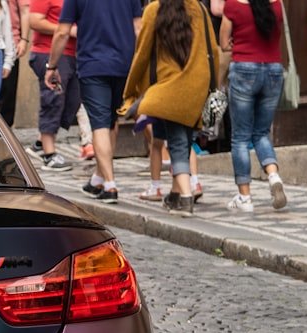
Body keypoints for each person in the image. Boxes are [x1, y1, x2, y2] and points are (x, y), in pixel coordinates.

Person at [122, 0, 217, 217]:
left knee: (176, 143)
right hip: (197, 86)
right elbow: (213, 51)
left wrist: (130, 92)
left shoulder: (153, 10)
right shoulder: (200, 9)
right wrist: (213, 87)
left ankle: (185, 197)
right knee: (185, 140)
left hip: (167, 89)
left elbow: (142, 55)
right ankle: (175, 193)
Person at [43, 0, 142, 204]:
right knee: (111, 121)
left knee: (99, 123)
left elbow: (62, 32)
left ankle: (110, 184)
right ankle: (98, 178)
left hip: (93, 64)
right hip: (124, 65)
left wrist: (51, 65)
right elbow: (138, 29)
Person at [214, 0, 287, 211]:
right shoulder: (277, 4)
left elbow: (224, 42)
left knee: (240, 137)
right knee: (262, 133)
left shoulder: (233, 6)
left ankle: (245, 198)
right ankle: (273, 175)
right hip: (273, 69)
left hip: (244, 68)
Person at [27, 0, 80, 171]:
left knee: (72, 102)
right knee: (53, 100)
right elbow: (34, 21)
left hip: (75, 54)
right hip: (48, 55)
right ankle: (49, 155)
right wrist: (67, 30)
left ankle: (39, 143)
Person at [0, 0, 31, 125]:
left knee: (8, 92)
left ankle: (6, 132)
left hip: (11, 43)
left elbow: (25, 11)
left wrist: (24, 39)